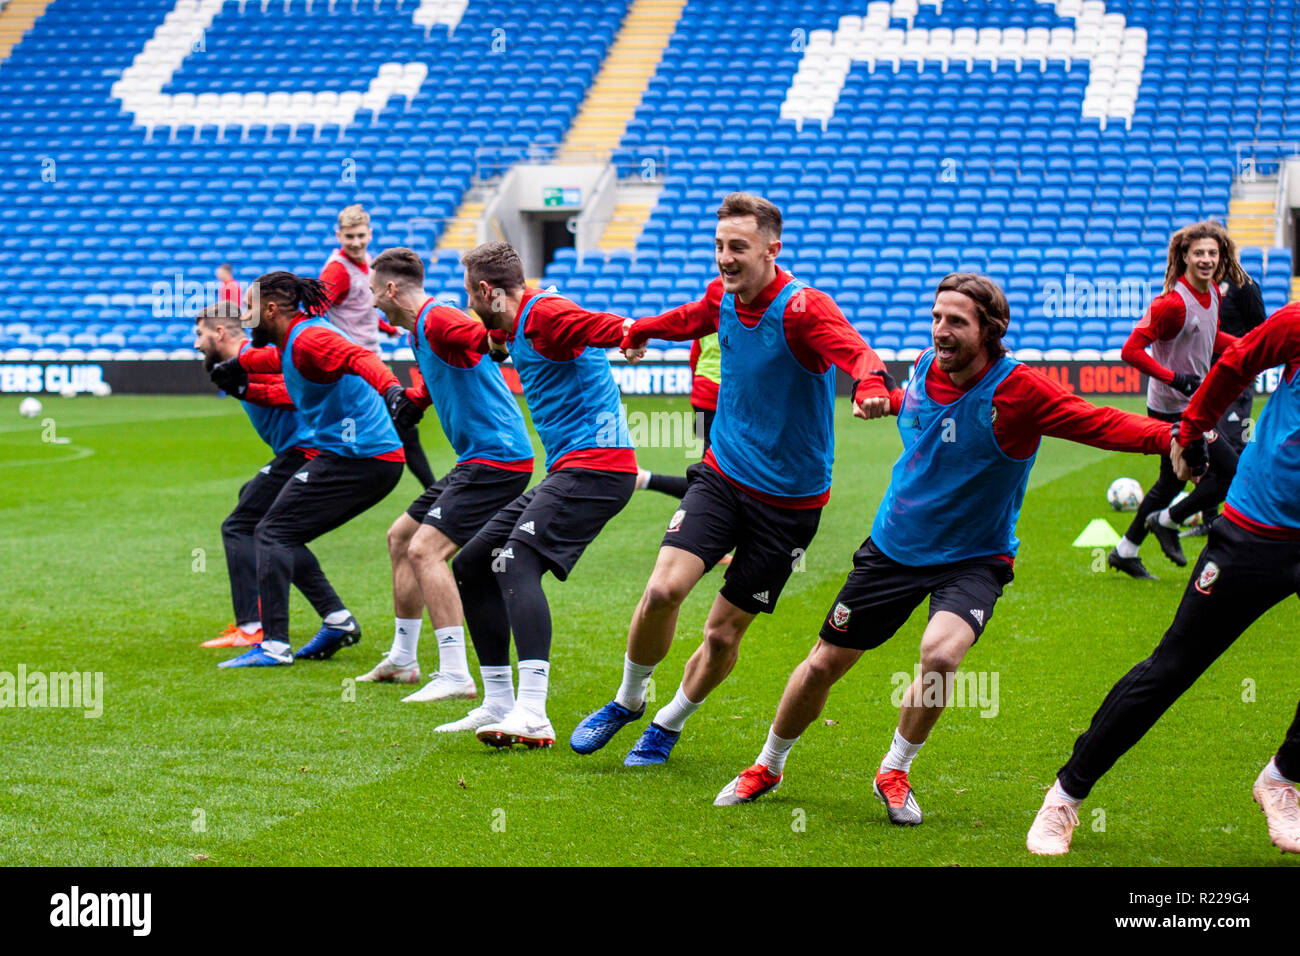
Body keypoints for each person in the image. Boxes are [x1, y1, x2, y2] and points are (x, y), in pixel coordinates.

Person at [710, 274, 1183, 820]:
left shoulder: (1018, 390)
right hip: (893, 546)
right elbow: (916, 405)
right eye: (936, 317)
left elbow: (1096, 421)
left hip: (974, 557)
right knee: (822, 665)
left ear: (990, 331)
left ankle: (895, 769)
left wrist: (1168, 437)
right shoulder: (923, 366)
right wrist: (885, 403)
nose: (941, 330)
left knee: (939, 655)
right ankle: (769, 763)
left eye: (956, 321)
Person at [569, 192, 895, 767]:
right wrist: (641, 329)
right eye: (719, 245)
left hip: (791, 502)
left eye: (737, 247)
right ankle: (627, 700)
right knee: (664, 589)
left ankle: (669, 723)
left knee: (722, 634)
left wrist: (871, 386)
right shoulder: (722, 295)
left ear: (772, 249)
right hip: (724, 472)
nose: (724, 257)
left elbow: (859, 353)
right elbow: (690, 318)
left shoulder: (803, 308)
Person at [1028, 301, 1300, 856]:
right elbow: (1238, 361)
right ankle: (1064, 795)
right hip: (1258, 529)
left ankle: (1282, 778)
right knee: (1173, 668)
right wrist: (1194, 430)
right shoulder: (1296, 323)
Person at [433, 241, 637, 748]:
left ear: (486, 290)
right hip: (570, 469)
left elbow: (590, 324)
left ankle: (534, 712)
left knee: (512, 561)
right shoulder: (518, 322)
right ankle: (500, 701)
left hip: (598, 465)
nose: (468, 307)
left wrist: (629, 333)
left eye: (469, 296)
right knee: (473, 563)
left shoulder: (543, 310)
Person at [209, 272, 418, 667]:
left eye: (250, 309)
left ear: (270, 310)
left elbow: (361, 357)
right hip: (357, 456)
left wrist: (392, 390)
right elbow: (276, 360)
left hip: (361, 458)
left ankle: (274, 646)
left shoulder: (310, 338)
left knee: (271, 531)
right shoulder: (294, 341)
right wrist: (240, 364)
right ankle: (337, 622)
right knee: (282, 532)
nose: (246, 316)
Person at [357, 247, 535, 702]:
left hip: (497, 458)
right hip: (477, 458)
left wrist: (494, 341)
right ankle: (403, 658)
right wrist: (416, 402)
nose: (374, 301)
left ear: (392, 289)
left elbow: (478, 335)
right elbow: (454, 363)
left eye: (376, 292)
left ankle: (456, 673)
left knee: (425, 551)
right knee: (400, 538)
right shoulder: (423, 327)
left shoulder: (437, 319)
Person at [193, 302, 348, 650]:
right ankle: (336, 615)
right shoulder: (238, 363)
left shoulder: (257, 357)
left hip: (304, 450)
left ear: (220, 332)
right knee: (278, 531)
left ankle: (252, 626)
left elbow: (298, 393)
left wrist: (249, 390)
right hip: (297, 451)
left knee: (239, 525)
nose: (196, 344)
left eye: (200, 334)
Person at [1109, 221, 1242, 578]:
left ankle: (1125, 550)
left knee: (1171, 483)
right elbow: (1130, 350)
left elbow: (1208, 339)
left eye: (1212, 253)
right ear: (1184, 256)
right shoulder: (1170, 304)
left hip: (1194, 404)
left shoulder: (1213, 292)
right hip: (1172, 409)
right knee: (1229, 471)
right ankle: (1167, 520)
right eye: (1199, 252)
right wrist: (1175, 378)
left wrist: (1248, 348)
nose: (1207, 259)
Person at [320, 204, 437, 489]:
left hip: (370, 361)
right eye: (349, 237)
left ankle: (432, 492)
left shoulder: (366, 263)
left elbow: (360, 308)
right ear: (338, 236)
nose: (356, 242)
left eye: (360, 235)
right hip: (355, 367)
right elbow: (315, 311)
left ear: (370, 233)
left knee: (395, 426)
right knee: (401, 424)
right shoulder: (337, 270)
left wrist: (385, 328)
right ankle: (434, 493)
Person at [1188, 272, 1269, 532]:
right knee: (1203, 443)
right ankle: (1210, 520)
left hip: (1236, 378)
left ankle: (1243, 516)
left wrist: (1248, 363)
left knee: (1233, 444)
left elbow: (1261, 329)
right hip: (1204, 375)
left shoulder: (1243, 285)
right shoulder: (1197, 283)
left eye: (1215, 250)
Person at [635, 332, 722, 499]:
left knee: (714, 472)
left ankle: (646, 480)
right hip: (722, 397)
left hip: (703, 395)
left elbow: (695, 357)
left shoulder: (711, 309)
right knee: (713, 481)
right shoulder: (746, 315)